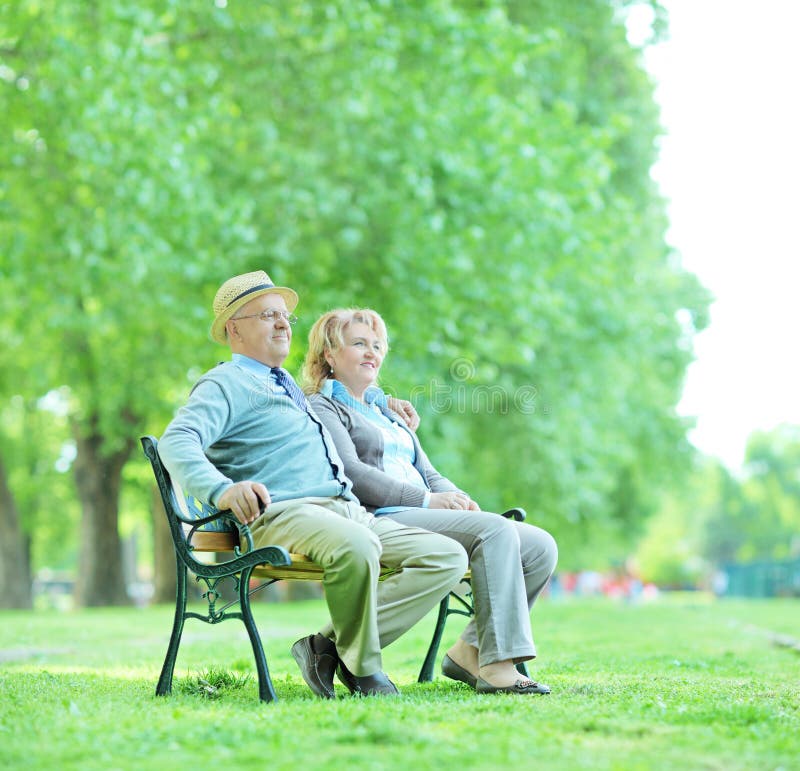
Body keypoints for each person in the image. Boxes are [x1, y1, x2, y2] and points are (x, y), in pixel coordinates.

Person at [158, 271, 468, 698]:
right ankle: (364, 669)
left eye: (286, 316)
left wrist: (382, 404)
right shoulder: (227, 382)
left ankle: (325, 648)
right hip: (284, 513)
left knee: (446, 556)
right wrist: (223, 490)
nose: (284, 323)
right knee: (357, 547)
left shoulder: (284, 386)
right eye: (268, 315)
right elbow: (177, 440)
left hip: (344, 509)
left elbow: (339, 400)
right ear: (235, 329)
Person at [302, 308, 558, 695]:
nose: (371, 352)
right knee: (496, 531)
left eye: (376, 345)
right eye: (358, 344)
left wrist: (459, 499)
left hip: (423, 509)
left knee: (539, 546)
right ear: (329, 355)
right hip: (381, 516)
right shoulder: (322, 407)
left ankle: (469, 652)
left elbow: (428, 470)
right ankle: (499, 666)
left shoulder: (386, 410)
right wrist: (428, 499)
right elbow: (352, 474)